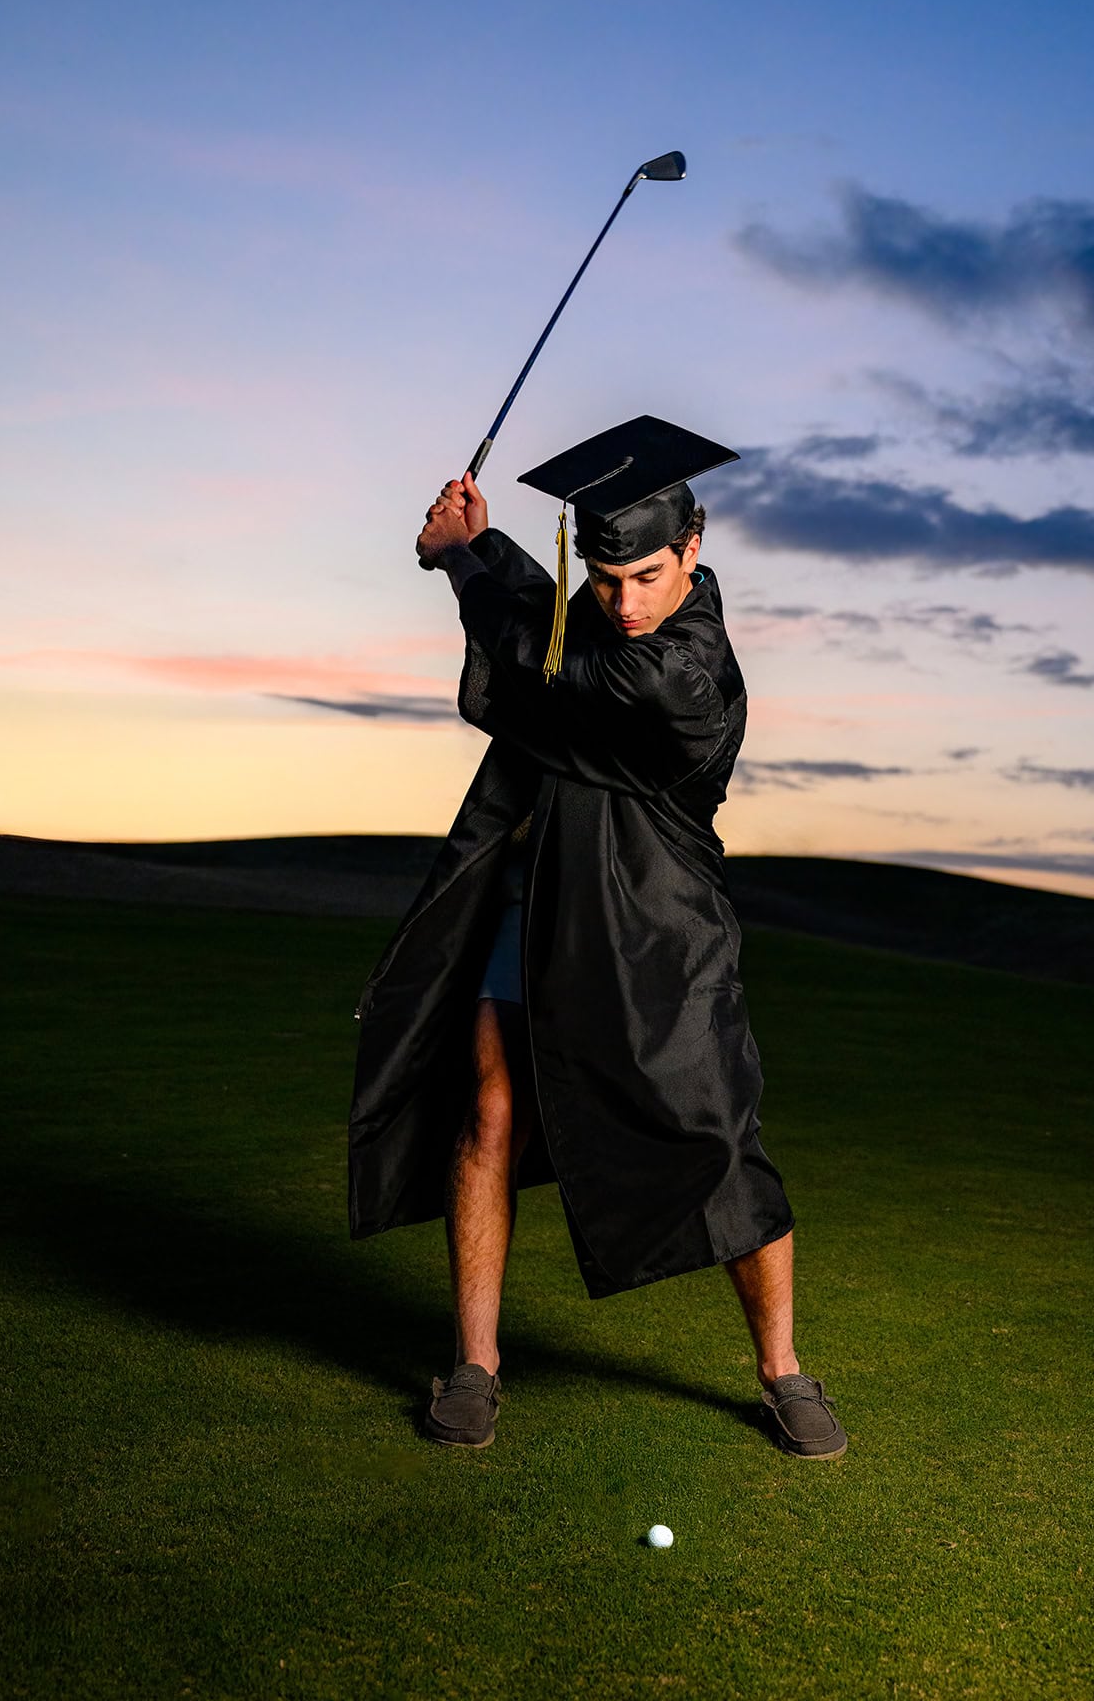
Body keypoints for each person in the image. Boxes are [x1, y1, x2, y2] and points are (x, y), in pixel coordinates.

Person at [348, 414, 845, 1460]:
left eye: (647, 577)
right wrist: (478, 545)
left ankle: (782, 1368)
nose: (624, 602)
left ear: (693, 550)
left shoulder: (685, 673)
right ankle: (475, 1365)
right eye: (607, 578)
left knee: (716, 1133)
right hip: (535, 897)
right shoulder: (598, 621)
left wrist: (460, 559)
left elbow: (546, 665)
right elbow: (546, 625)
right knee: (489, 1109)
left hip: (655, 921)